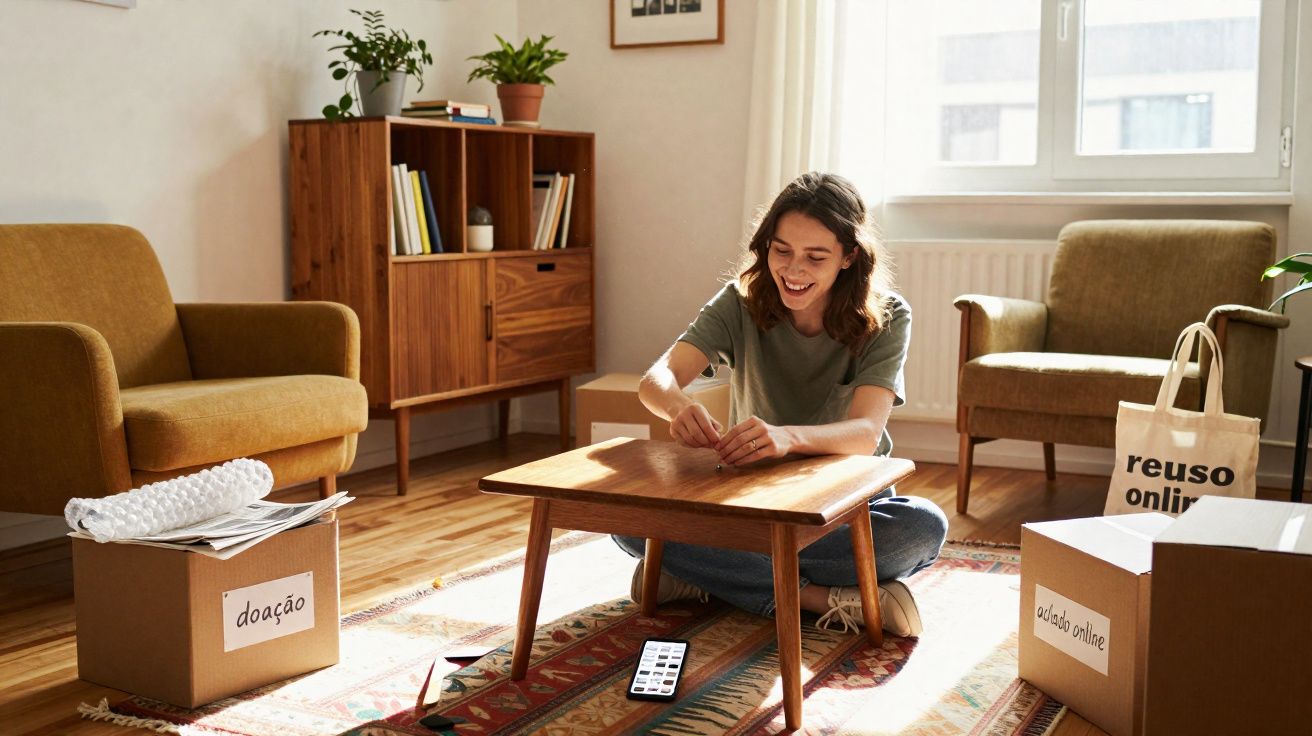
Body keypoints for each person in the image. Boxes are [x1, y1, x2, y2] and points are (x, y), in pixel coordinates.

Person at [612, 172, 948, 637]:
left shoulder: (888, 316)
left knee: (921, 527)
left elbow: (865, 433)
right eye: (781, 250)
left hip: (843, 503)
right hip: (753, 501)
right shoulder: (740, 301)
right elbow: (657, 379)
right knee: (625, 517)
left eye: (816, 257)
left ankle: (701, 576)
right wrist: (676, 406)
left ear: (849, 257)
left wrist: (786, 438)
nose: (794, 271)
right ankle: (821, 598)